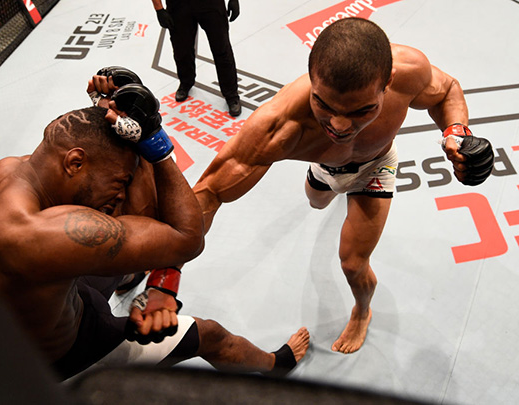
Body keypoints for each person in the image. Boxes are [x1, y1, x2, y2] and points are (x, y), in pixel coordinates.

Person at [0, 75, 309, 380]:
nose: (119, 193)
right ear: (75, 162)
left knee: (121, 229)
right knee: (209, 335)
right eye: (118, 181)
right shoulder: (45, 235)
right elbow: (186, 238)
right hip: (63, 355)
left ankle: (127, 277)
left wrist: (115, 109)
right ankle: (277, 365)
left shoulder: (1, 174)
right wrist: (158, 147)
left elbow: (92, 146)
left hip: (38, 306)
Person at [191, 18, 494, 354]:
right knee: (316, 203)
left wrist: (457, 133)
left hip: (376, 166)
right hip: (325, 167)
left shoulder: (408, 70)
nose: (339, 125)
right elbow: (209, 192)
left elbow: (447, 89)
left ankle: (362, 311)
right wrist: (166, 269)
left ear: (387, 82)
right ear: (311, 77)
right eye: (324, 105)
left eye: (363, 110)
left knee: (353, 263)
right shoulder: (279, 124)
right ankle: (327, 183)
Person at [151, 0, 242, 117]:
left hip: (211, 4)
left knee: (222, 49)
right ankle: (185, 82)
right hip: (179, 5)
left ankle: (231, 94)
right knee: (181, 49)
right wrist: (159, 9)